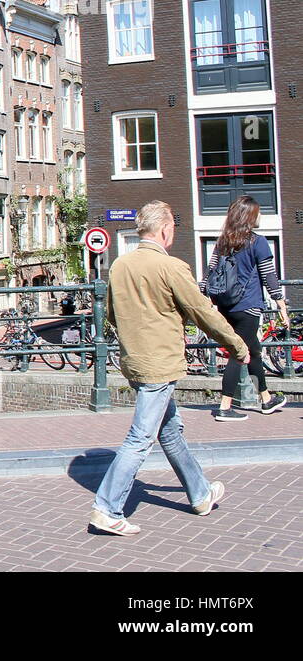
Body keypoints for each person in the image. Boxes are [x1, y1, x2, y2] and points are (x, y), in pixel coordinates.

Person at [89, 201, 249, 536]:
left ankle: (200, 493)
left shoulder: (119, 266)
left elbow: (113, 317)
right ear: (165, 229)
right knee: (141, 437)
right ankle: (107, 508)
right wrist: (237, 346)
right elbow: (202, 312)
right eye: (173, 228)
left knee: (170, 430)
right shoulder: (172, 267)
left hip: (135, 360)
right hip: (160, 363)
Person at [199, 195, 289, 420]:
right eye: (257, 212)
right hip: (248, 306)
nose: (260, 216)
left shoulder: (222, 242)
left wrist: (205, 298)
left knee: (253, 350)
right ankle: (224, 406)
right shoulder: (257, 242)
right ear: (250, 216)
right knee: (237, 354)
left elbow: (210, 274)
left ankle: (266, 399)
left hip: (226, 306)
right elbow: (269, 274)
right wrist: (281, 304)